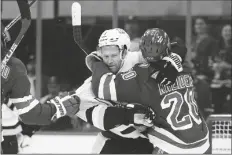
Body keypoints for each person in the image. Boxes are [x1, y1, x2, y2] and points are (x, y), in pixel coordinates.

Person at [90, 28, 209, 154]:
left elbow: (103, 88)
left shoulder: (141, 74)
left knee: (142, 127)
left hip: (175, 145)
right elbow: (179, 47)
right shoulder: (183, 68)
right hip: (203, 140)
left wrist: (96, 62)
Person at [1, 23, 80, 153]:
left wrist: (56, 107)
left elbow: (29, 113)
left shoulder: (11, 72)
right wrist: (58, 107)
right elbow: (30, 114)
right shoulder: (12, 69)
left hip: (10, 132)